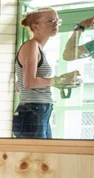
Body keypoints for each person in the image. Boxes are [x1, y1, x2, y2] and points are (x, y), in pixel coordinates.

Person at [13, 9, 80, 139]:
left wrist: (61, 81)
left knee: (43, 156)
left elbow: (20, 84)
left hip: (38, 109)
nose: (55, 24)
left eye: (57, 21)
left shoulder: (37, 48)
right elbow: (29, 83)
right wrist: (58, 80)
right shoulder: (31, 45)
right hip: (32, 111)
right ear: (35, 26)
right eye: (50, 21)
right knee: (37, 157)